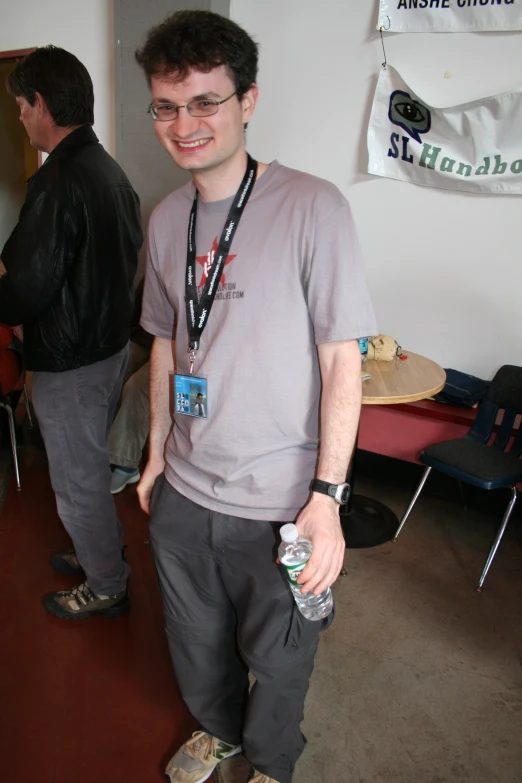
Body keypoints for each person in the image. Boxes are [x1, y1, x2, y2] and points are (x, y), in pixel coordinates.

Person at [135, 10, 377, 783]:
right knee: (194, 638)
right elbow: (168, 344)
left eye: (207, 101)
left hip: (281, 503)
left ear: (248, 101)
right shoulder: (166, 218)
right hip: (185, 490)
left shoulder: (313, 207)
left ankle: (272, 761)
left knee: (279, 659)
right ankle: (217, 730)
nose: (186, 123)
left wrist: (327, 498)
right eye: (168, 105)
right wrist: (153, 457)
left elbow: (343, 361)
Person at [0, 46, 143, 619]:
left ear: (41, 103)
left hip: (70, 359)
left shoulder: (57, 181)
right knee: (87, 467)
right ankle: (99, 551)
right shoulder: (109, 172)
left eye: (19, 106)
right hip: (107, 348)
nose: (19, 117)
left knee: (77, 479)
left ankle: (107, 583)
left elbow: (22, 289)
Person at [108, 278, 153, 494]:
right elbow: (132, 311)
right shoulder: (155, 273)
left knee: (137, 388)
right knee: (114, 371)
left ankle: (126, 463)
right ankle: (102, 446)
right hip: (144, 341)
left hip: (178, 351)